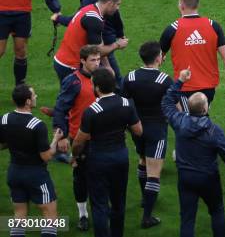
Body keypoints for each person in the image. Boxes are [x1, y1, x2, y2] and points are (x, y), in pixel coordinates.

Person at [161, 68, 225, 237]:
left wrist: (180, 81)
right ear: (206, 108)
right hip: (208, 178)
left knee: (187, 218)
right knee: (216, 211)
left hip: (185, 176)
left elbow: (166, 102)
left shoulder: (179, 121)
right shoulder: (214, 130)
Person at [71, 68, 143, 237]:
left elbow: (79, 141)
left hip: (98, 159)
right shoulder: (126, 104)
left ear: (96, 88)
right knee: (118, 202)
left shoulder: (91, 111)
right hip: (120, 157)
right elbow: (138, 131)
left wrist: (74, 155)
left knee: (99, 204)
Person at [160, 0, 225, 111]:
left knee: (189, 124)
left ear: (181, 5)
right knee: (201, 119)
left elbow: (156, 59)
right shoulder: (213, 26)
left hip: (184, 87)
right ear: (197, 5)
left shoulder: (172, 29)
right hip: (209, 88)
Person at [121, 41, 173, 228]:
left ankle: (145, 198)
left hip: (136, 128)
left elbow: (124, 104)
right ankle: (147, 216)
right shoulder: (164, 80)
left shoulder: (130, 77)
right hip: (157, 129)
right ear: (158, 57)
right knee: (154, 172)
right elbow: (175, 107)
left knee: (142, 160)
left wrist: (128, 126)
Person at [0, 84, 63, 237]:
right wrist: (55, 140)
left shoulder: (5, 118)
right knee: (50, 218)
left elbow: (2, 144)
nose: (36, 97)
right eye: (33, 96)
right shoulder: (37, 125)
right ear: (28, 101)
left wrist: (16, 142)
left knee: (19, 216)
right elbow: (46, 156)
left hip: (14, 173)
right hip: (36, 175)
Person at [51, 45, 101, 230]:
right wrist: (61, 135)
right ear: (82, 61)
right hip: (80, 139)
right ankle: (83, 215)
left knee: (100, 175)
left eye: (98, 59)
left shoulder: (103, 78)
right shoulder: (73, 82)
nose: (97, 63)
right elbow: (60, 108)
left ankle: (100, 210)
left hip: (102, 138)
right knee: (81, 177)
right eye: (93, 60)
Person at [54, 0, 126, 83]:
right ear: (109, 3)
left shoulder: (92, 9)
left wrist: (107, 66)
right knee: (80, 98)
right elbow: (98, 50)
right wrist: (118, 44)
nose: (118, 9)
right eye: (117, 5)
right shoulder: (94, 20)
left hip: (69, 60)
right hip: (70, 65)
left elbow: (98, 46)